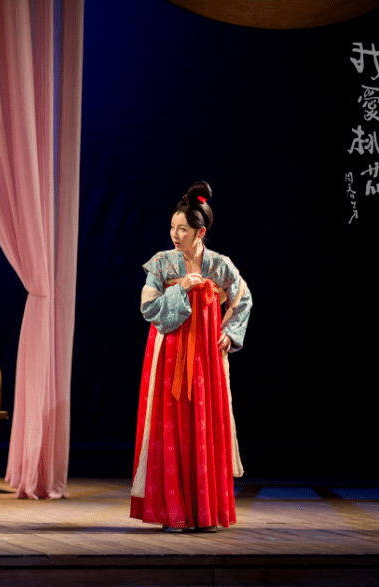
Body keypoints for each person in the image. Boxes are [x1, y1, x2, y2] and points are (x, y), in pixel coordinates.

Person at [129, 181, 252, 532]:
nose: (174, 234)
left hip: (206, 360)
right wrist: (181, 289)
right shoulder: (163, 264)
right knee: (170, 428)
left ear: (200, 232)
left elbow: (243, 297)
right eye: (172, 227)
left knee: (203, 426)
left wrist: (230, 332)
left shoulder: (219, 265)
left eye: (182, 228)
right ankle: (172, 512)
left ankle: (205, 512)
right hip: (169, 353)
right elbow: (148, 307)